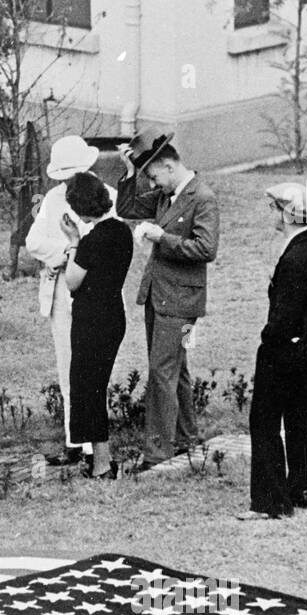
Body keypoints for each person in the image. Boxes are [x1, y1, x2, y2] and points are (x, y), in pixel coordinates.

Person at [238, 182, 307, 520]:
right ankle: (303, 490)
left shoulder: (293, 258)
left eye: (275, 208)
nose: (272, 214)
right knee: (302, 418)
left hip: (284, 350)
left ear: (287, 213)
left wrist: (268, 337)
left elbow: (283, 317)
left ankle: (271, 501)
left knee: (265, 422)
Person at [115, 133, 220, 471]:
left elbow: (207, 249)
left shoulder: (202, 197)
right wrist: (130, 171)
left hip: (181, 300)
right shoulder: (167, 194)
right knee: (177, 370)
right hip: (160, 296)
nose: (152, 182)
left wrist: (164, 238)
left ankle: (158, 452)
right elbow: (128, 207)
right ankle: (187, 438)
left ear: (169, 165)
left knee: (162, 371)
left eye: (153, 175)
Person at [24, 136, 116, 467]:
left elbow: (106, 245)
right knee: (69, 367)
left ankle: (96, 446)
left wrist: (81, 253)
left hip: (95, 293)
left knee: (93, 370)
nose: (67, 182)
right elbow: (34, 241)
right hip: (62, 289)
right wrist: (67, 252)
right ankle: (74, 439)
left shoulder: (108, 198)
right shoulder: (51, 197)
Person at [59, 173, 134, 479]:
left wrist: (74, 242)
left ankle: (102, 463)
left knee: (87, 388)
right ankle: (102, 459)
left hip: (92, 319)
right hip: (113, 314)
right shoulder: (122, 232)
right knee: (95, 386)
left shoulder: (92, 239)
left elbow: (72, 280)